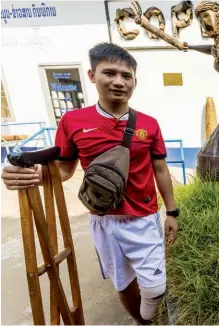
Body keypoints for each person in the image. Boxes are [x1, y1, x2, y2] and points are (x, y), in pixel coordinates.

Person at [1, 42, 179, 324]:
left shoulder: (149, 124)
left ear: (135, 82)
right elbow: (63, 170)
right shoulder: (73, 121)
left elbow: (160, 168)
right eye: (110, 73)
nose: (119, 82)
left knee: (155, 288)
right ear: (92, 75)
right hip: (104, 220)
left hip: (144, 218)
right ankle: (144, 322)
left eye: (126, 76)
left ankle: (148, 317)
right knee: (122, 283)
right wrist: (34, 175)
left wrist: (171, 212)